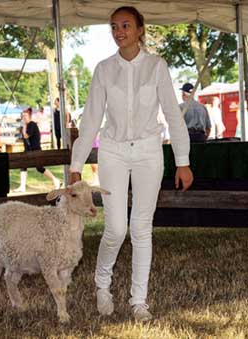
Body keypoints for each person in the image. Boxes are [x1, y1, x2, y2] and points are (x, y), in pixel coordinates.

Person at [69, 6, 193, 322]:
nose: (119, 31)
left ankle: (139, 301)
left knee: (141, 228)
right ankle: (102, 285)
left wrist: (183, 160)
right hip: (112, 151)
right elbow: (92, 119)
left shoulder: (157, 66)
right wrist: (76, 164)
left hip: (149, 153)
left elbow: (173, 114)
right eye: (114, 26)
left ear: (140, 29)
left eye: (126, 25)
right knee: (115, 228)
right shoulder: (103, 69)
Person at [14, 108, 61, 192]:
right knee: (23, 166)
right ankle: (22, 186)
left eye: (25, 116)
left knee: (39, 168)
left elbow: (26, 136)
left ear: (29, 116)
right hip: (28, 151)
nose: (23, 117)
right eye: (22, 116)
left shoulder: (32, 125)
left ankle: (55, 180)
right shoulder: (26, 126)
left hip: (35, 151)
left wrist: (24, 126)